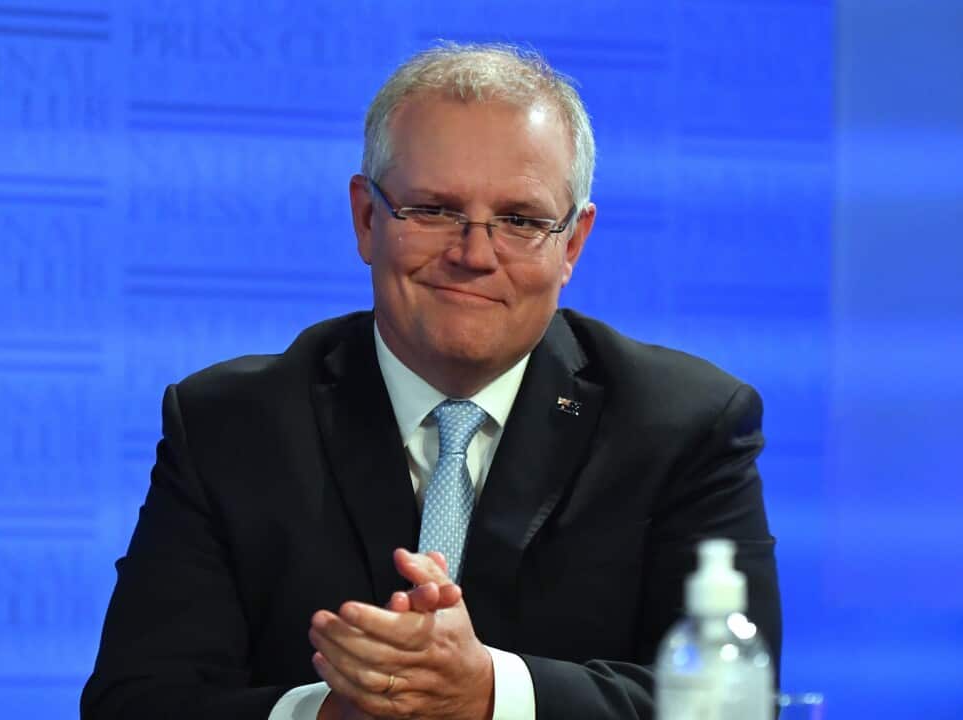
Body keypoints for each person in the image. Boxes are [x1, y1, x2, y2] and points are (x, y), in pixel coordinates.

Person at [82, 42, 780, 720]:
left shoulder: (687, 425)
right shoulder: (229, 425)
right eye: (435, 210)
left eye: (520, 220)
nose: (475, 254)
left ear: (573, 243)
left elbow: (730, 703)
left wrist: (488, 695)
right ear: (365, 218)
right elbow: (137, 700)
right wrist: (325, 715)